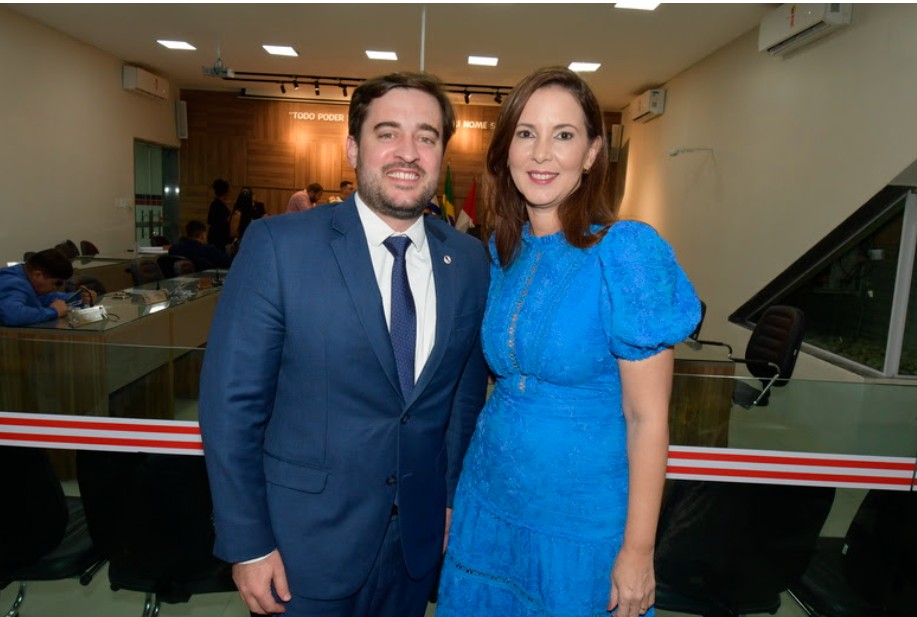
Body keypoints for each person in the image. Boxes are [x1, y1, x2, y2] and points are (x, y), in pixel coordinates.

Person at [199, 71, 490, 617]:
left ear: (442, 154)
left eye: (426, 137)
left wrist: (449, 497)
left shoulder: (469, 260)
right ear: (353, 147)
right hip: (301, 549)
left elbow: (462, 397)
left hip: (416, 545)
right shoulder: (279, 246)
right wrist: (248, 542)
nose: (409, 152)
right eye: (388, 133)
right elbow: (230, 406)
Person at [435, 67, 701, 617]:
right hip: (488, 500)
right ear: (506, 149)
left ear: (591, 153)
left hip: (582, 524)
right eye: (527, 133)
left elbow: (647, 418)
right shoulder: (501, 253)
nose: (541, 154)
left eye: (564, 135)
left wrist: (638, 550)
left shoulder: (626, 252)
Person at [0, 249, 96, 326]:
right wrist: (53, 312)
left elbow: (51, 298)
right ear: (38, 275)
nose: (57, 288)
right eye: (56, 283)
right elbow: (14, 315)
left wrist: (80, 297)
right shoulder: (12, 283)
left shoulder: (28, 278)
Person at [207, 178, 232, 251]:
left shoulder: (214, 204)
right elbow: (223, 223)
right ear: (225, 192)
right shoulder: (220, 206)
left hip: (214, 236)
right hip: (219, 238)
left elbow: (209, 221)